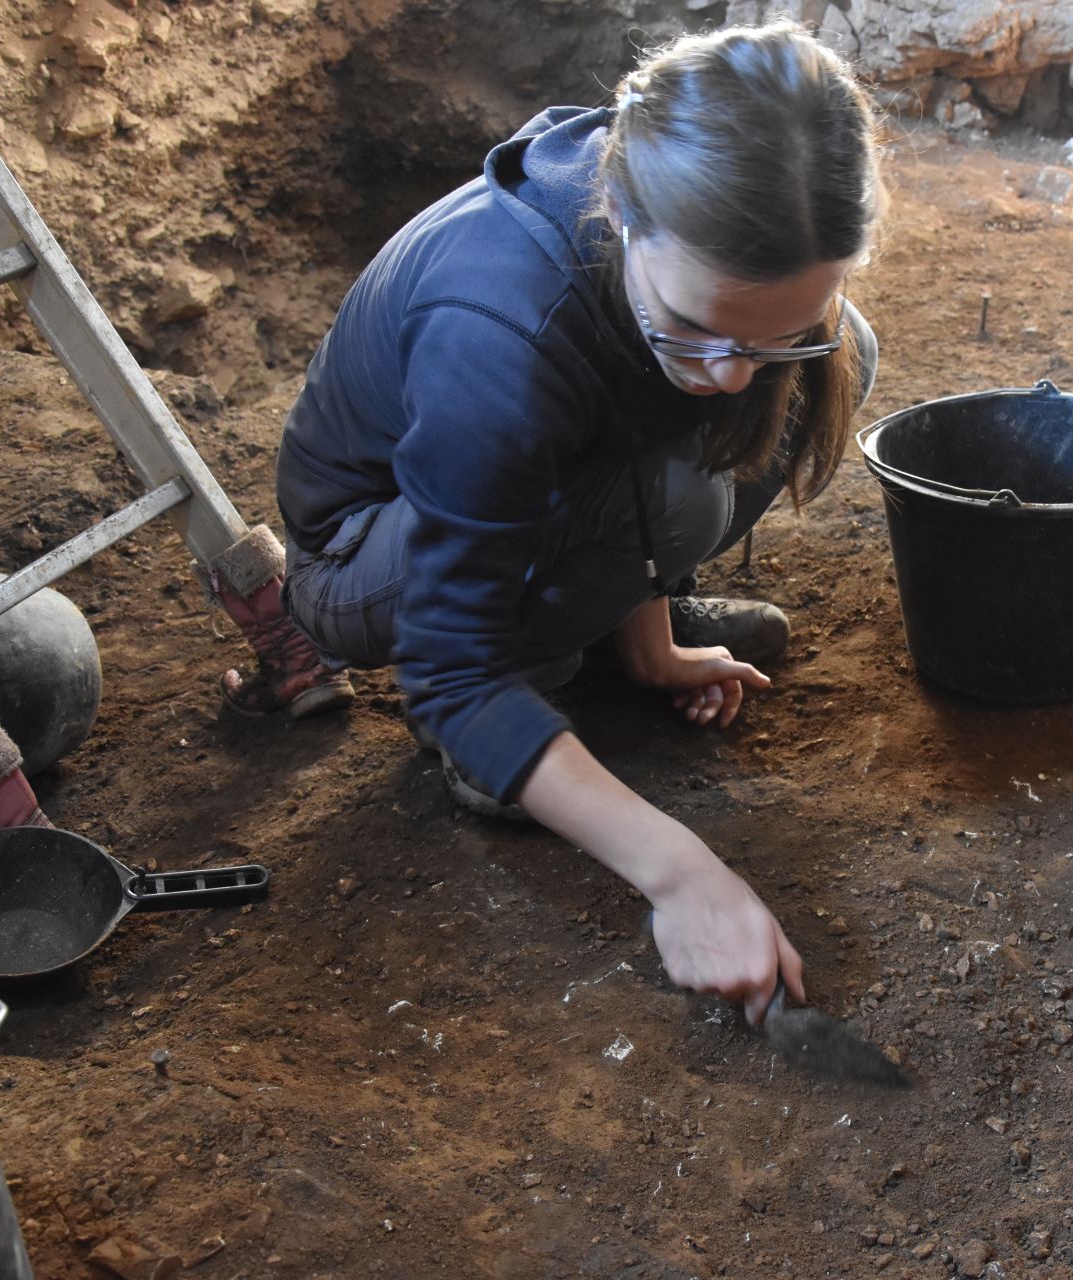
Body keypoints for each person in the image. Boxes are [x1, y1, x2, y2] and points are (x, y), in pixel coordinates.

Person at [267, 21, 882, 1024]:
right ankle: (508, 726)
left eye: (771, 330)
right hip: (368, 557)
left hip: (538, 486)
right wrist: (681, 872)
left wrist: (660, 646)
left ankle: (613, 645)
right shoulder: (502, 339)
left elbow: (667, 409)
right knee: (674, 494)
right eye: (695, 327)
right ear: (628, 220)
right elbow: (450, 662)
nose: (730, 369)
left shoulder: (701, 234)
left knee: (834, 362)